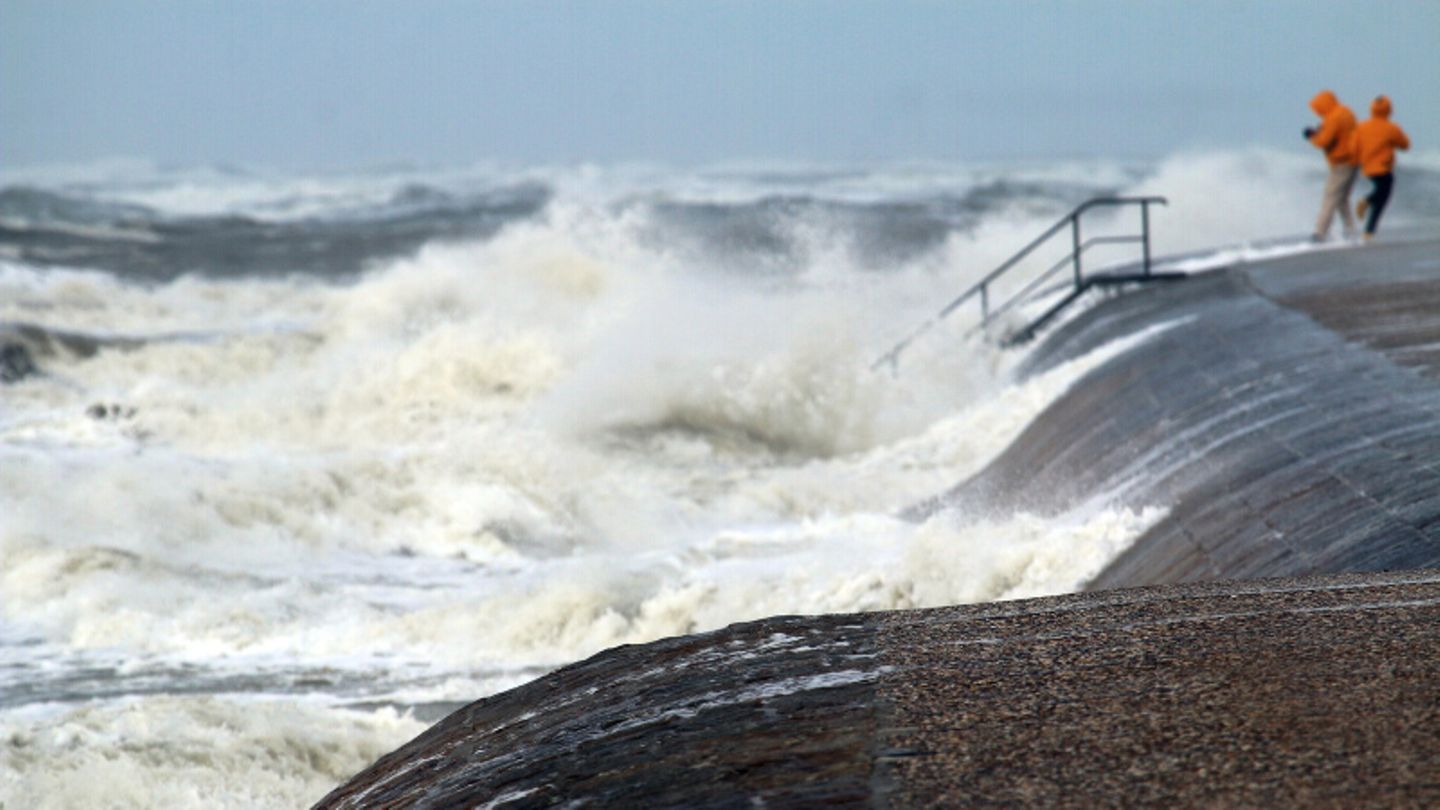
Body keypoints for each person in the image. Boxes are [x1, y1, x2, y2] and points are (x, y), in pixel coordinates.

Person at [1352, 95, 1411, 240]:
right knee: (1382, 195)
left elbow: (1353, 148)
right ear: (1389, 110)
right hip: (1383, 167)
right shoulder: (1391, 128)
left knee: (1381, 195)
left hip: (1367, 168)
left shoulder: (1361, 127)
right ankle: (1367, 203)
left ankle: (1369, 231)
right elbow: (1405, 145)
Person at [1304, 90, 1359, 241]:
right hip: (1354, 161)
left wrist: (1312, 136)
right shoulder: (1347, 112)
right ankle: (1351, 230)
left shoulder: (1333, 118)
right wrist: (1320, 132)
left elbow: (1324, 141)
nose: (1317, 112)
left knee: (1330, 196)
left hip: (1341, 163)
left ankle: (1320, 233)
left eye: (1318, 108)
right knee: (1342, 198)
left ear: (1324, 104)